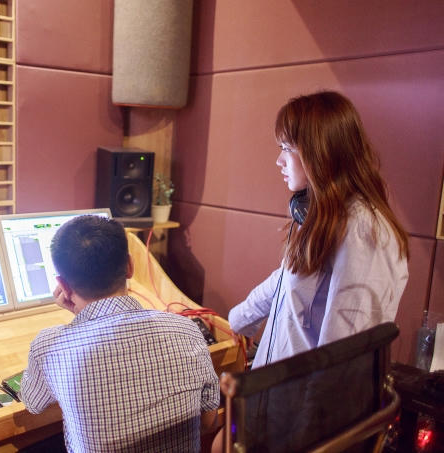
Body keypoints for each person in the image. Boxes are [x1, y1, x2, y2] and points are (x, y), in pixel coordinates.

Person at [212, 91, 410, 453]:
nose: (279, 160)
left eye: (287, 148)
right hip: (279, 397)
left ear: (322, 153)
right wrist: (237, 320)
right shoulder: (326, 215)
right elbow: (286, 278)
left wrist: (306, 433)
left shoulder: (364, 230)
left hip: (307, 416)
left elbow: (343, 349)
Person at [21, 215, 220, 453]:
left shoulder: (50, 347)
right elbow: (208, 422)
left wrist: (82, 318)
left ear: (62, 285)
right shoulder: (187, 330)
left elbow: (33, 404)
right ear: (129, 266)